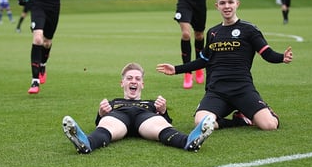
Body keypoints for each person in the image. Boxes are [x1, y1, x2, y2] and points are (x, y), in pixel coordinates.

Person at [157, 0, 293, 131]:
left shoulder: (249, 30)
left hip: (242, 89)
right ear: (217, 6)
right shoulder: (213, 32)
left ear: (237, 4)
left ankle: (261, 111)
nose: (226, 6)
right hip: (217, 91)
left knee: (269, 125)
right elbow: (203, 60)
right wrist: (177, 69)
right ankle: (238, 120)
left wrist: (281, 57)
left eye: (230, 2)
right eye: (222, 3)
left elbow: (267, 53)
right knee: (200, 123)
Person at [62, 62, 215, 154]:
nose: (133, 81)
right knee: (107, 124)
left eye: (137, 79)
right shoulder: (114, 102)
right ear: (122, 83)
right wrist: (101, 113)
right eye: (129, 78)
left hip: (144, 117)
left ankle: (189, 141)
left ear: (142, 84)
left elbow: (167, 121)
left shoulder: (151, 103)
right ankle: (85, 143)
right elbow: (99, 122)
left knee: (159, 125)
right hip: (119, 116)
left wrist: (163, 111)